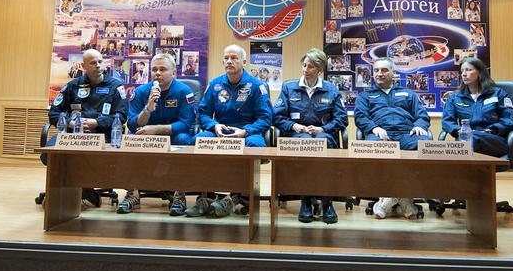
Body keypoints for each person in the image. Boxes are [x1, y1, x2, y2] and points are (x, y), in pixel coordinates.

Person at [192, 44, 273, 218]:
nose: (229, 61)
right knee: (196, 141)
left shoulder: (257, 86)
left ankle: (239, 196)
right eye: (226, 58)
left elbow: (266, 118)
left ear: (244, 62)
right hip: (220, 130)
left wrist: (245, 131)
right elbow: (203, 113)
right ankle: (205, 197)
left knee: (255, 147)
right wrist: (214, 125)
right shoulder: (215, 84)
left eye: (234, 58)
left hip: (248, 131)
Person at [41, 48, 127, 206]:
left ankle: (78, 188)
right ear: (83, 66)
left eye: (100, 62)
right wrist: (70, 123)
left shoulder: (115, 86)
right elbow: (54, 113)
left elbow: (121, 116)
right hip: (72, 134)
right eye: (93, 63)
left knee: (88, 157)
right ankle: (80, 190)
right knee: (49, 154)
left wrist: (98, 123)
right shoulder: (73, 85)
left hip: (102, 135)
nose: (98, 65)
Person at [273, 48, 348, 224]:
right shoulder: (289, 88)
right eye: (304, 65)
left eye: (311, 66)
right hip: (296, 135)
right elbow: (276, 116)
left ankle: (327, 202)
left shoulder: (331, 89)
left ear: (320, 69)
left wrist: (323, 129)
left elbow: (342, 119)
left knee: (321, 144)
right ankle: (306, 200)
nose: (305, 69)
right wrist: (294, 126)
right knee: (306, 143)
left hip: (323, 135)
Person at [353, 57, 432, 220]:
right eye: (376, 70)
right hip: (380, 135)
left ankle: (387, 201)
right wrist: (373, 128)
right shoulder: (365, 95)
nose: (379, 73)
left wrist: (420, 125)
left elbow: (422, 115)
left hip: (406, 134)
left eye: (384, 70)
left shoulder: (408, 93)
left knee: (426, 146)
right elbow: (360, 116)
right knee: (374, 148)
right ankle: (404, 200)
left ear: (393, 73)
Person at [119, 53, 197, 215]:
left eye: (163, 69)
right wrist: (148, 108)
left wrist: (156, 129)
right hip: (145, 135)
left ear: (173, 72)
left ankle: (179, 194)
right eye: (154, 69)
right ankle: (133, 193)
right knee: (130, 139)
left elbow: (186, 124)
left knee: (183, 139)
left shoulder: (184, 91)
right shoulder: (141, 92)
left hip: (173, 135)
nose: (157, 73)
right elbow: (132, 124)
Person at [440, 57, 513, 158]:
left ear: (480, 72)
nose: (464, 74)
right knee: (460, 144)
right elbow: (447, 121)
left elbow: (508, 120)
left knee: (470, 140)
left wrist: (491, 130)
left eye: (468, 70)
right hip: (465, 139)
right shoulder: (455, 97)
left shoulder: (498, 94)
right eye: (462, 71)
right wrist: (459, 131)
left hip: (494, 140)